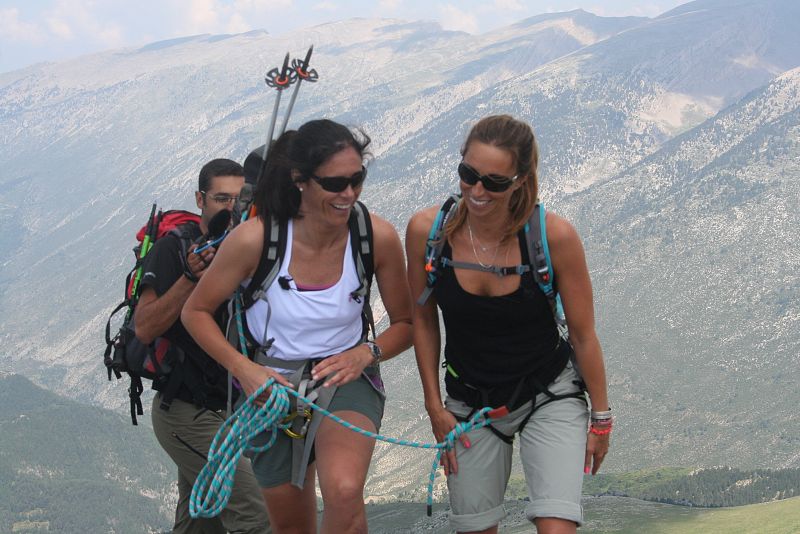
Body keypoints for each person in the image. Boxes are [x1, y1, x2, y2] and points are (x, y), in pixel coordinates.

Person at [182, 119, 413, 533]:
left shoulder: (374, 236)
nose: (349, 193)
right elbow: (195, 312)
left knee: (344, 491)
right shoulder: (255, 240)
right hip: (270, 385)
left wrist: (366, 353)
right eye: (335, 183)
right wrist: (245, 370)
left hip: (346, 376)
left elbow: (407, 324)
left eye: (357, 179)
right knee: (292, 526)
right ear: (300, 181)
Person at [406, 115, 611, 534]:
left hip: (549, 393)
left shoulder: (554, 237)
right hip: (470, 403)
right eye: (468, 175)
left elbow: (583, 335)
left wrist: (602, 419)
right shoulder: (427, 233)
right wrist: (434, 407)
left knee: (557, 526)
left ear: (521, 181)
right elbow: (423, 321)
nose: (477, 191)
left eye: (494, 182)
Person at [134, 158, 271, 534]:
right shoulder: (173, 249)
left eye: (239, 199)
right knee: (256, 514)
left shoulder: (245, 247)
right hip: (186, 412)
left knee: (201, 524)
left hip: (228, 410)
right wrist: (189, 278)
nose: (230, 208)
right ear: (200, 199)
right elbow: (144, 327)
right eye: (221, 199)